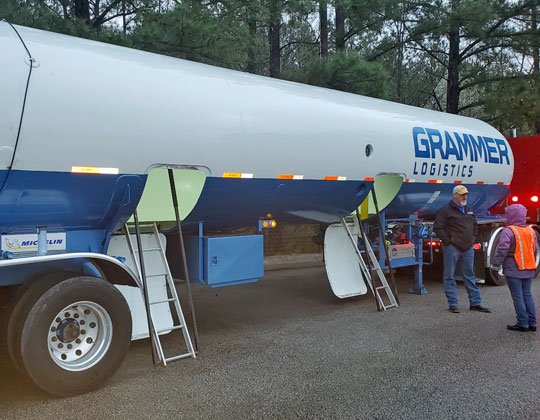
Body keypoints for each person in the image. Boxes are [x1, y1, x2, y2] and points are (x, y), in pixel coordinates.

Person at [433, 185, 490, 313]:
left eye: (466, 194)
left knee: (469, 274)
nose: (465, 197)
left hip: (467, 248)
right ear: (455, 195)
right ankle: (453, 304)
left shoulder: (468, 210)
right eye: (462, 194)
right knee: (449, 275)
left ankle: (475, 303)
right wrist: (448, 241)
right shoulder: (446, 210)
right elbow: (437, 227)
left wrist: (472, 238)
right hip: (452, 248)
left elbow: (474, 224)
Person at [491, 204, 538, 332]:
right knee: (527, 295)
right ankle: (533, 323)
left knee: (518, 297)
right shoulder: (531, 230)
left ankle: (522, 323)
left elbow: (502, 249)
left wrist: (495, 264)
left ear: (511, 215)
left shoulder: (508, 231)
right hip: (529, 267)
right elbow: (534, 249)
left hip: (513, 268)